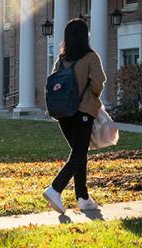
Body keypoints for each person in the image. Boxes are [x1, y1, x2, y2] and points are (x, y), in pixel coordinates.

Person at [43, 18, 106, 214]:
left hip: (63, 115)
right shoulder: (91, 57)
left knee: (79, 154)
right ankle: (55, 188)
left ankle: (83, 197)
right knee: (79, 154)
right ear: (84, 36)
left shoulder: (61, 60)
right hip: (82, 113)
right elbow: (97, 85)